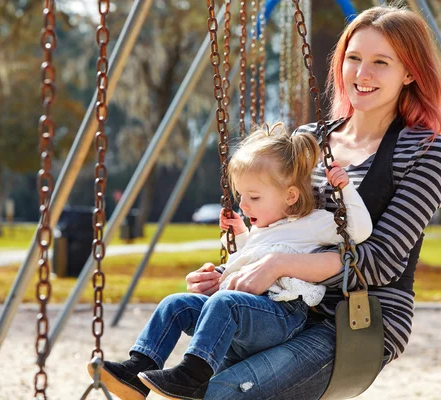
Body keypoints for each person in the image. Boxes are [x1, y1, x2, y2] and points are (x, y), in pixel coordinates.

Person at [192, 5, 441, 399]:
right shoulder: (309, 140)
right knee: (196, 383)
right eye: (354, 58)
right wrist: (233, 271)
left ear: (410, 73)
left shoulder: (424, 150)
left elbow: (380, 261)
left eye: (381, 62)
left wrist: (279, 264)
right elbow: (278, 225)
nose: (362, 75)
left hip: (356, 317)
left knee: (229, 390)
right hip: (284, 305)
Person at [90, 124, 373, 400]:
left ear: (290, 196)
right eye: (241, 196)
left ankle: (192, 376)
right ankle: (138, 369)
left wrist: (346, 189)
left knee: (225, 303)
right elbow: (247, 262)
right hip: (247, 311)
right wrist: (238, 240)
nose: (244, 205)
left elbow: (360, 231)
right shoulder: (262, 230)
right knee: (175, 304)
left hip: (282, 315)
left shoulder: (312, 223)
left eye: (254, 197)